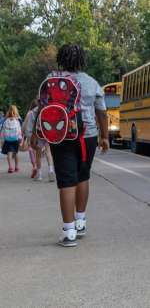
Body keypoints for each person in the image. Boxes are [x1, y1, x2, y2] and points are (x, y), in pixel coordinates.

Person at [42, 45, 109, 247]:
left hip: (60, 134)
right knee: (83, 176)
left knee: (66, 181)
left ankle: (68, 230)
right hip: (87, 136)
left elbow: (43, 105)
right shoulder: (91, 82)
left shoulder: (51, 78)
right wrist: (105, 137)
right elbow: (102, 112)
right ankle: (81, 222)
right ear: (82, 60)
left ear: (61, 59)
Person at [22, 100, 55, 182]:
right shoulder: (48, 109)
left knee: (38, 154)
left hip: (37, 135)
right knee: (48, 152)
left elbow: (29, 127)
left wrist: (30, 138)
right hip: (47, 134)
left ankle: (39, 174)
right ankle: (51, 170)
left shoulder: (32, 112)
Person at [1, 105, 22, 174]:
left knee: (9, 153)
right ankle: (17, 167)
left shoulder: (5, 120)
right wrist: (20, 139)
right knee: (16, 153)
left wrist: (2, 140)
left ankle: (10, 167)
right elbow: (19, 130)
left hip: (8, 139)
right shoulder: (18, 120)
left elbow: (3, 131)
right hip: (15, 139)